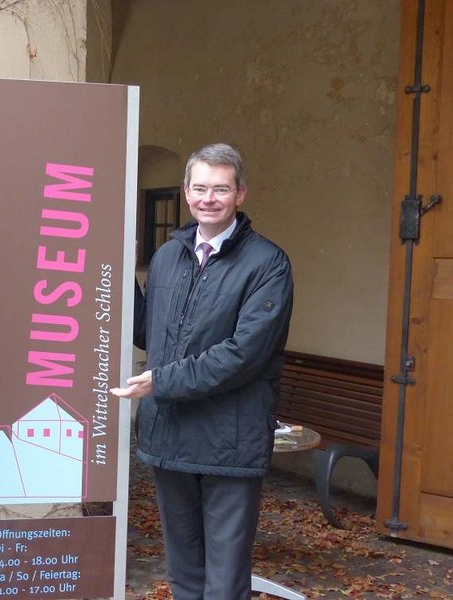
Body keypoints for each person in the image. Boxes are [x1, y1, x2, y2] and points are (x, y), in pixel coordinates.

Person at [112, 143, 293, 599]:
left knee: (226, 580)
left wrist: (161, 382)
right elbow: (147, 334)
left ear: (240, 194)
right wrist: (117, 267)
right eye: (199, 188)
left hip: (228, 444)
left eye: (220, 188)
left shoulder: (268, 264)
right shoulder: (168, 256)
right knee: (185, 573)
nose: (208, 198)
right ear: (187, 192)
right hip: (171, 436)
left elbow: (244, 355)